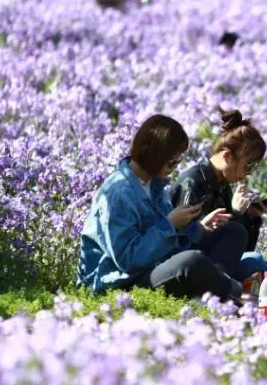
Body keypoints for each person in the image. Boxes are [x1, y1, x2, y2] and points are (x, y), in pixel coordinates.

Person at [77, 114, 244, 301]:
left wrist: (198, 228)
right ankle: (231, 294)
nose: (175, 166)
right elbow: (127, 260)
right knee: (192, 262)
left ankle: (220, 290)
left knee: (233, 232)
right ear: (154, 154)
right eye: (172, 160)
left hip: (150, 267)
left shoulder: (154, 185)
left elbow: (167, 246)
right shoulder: (118, 192)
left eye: (178, 160)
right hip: (118, 282)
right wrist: (170, 224)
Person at [170, 109, 267, 294]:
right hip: (194, 271)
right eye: (248, 165)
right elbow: (186, 245)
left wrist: (250, 218)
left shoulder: (223, 184)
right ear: (227, 157)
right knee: (251, 254)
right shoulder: (193, 184)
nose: (248, 173)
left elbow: (238, 250)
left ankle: (249, 284)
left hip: (218, 267)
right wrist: (236, 213)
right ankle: (234, 288)